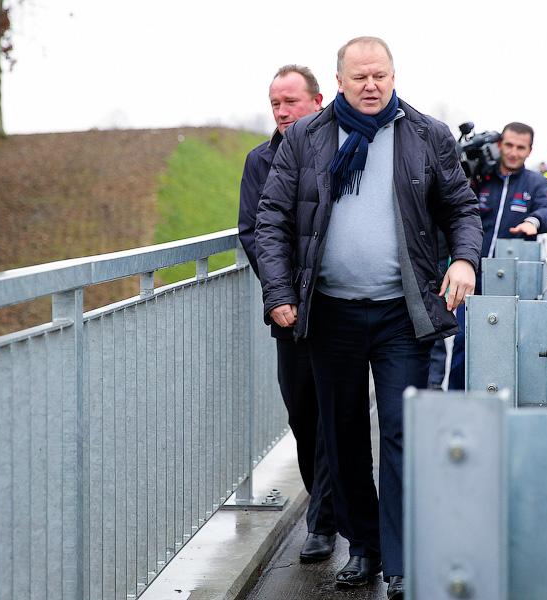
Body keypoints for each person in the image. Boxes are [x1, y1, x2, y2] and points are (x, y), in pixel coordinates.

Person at [255, 36, 482, 600]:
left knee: (402, 431)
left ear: (393, 75)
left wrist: (464, 259)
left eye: (380, 74)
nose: (371, 85)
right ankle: (364, 547)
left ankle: (400, 560)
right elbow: (272, 217)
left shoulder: (426, 134)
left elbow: (461, 207)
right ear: (339, 82)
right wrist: (279, 291)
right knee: (343, 434)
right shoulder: (306, 138)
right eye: (360, 77)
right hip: (330, 313)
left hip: (403, 313)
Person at [236, 65, 338, 563]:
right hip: (291, 310)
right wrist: (281, 294)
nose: (281, 111)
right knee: (302, 413)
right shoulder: (260, 160)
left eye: (290, 102)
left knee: (334, 413)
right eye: (275, 103)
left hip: (338, 303)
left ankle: (323, 520)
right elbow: (252, 230)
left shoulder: (340, 149)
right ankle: (327, 503)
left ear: (317, 102)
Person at [446, 122, 547, 390]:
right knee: (463, 341)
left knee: (504, 347)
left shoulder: (536, 183)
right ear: (499, 145)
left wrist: (533, 221)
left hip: (511, 282)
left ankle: (498, 403)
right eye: (509, 145)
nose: (513, 152)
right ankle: (456, 400)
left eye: (521, 147)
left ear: (529, 150)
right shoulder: (480, 177)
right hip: (473, 276)